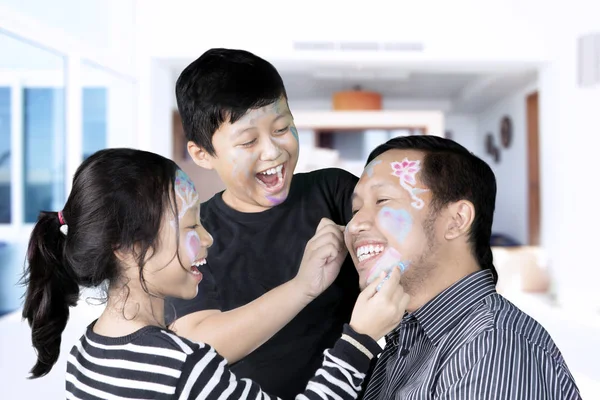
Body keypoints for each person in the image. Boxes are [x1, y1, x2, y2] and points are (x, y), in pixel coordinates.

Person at [21, 148, 409, 399]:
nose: (207, 239)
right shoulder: (180, 366)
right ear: (128, 248)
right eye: (190, 228)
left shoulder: (86, 354)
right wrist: (360, 339)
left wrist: (305, 285)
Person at [168, 48, 361, 397]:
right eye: (248, 141)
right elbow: (199, 343)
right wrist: (303, 287)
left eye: (282, 127)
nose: (272, 152)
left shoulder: (333, 191)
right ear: (202, 154)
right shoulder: (194, 233)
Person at [345, 135, 582, 399]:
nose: (354, 225)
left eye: (382, 201)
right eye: (355, 210)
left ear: (457, 220)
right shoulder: (401, 339)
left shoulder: (491, 349)